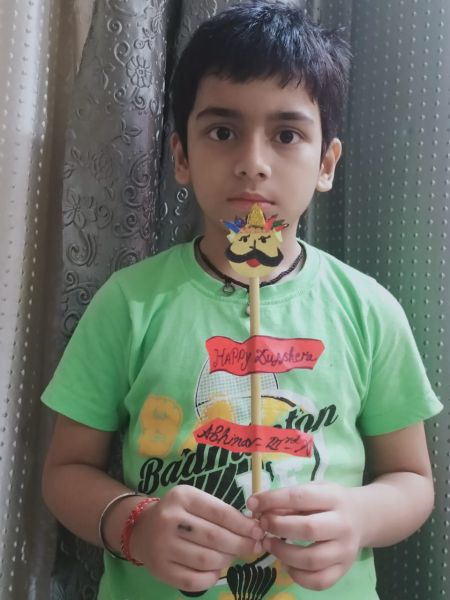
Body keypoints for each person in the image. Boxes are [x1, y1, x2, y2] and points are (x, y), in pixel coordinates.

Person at [41, 2, 442, 599]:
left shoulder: (370, 311)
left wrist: (359, 518)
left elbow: (411, 479)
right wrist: (136, 525)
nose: (253, 164)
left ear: (326, 164)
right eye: (222, 132)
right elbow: (65, 472)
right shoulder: (129, 304)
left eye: (287, 135)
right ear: (181, 156)